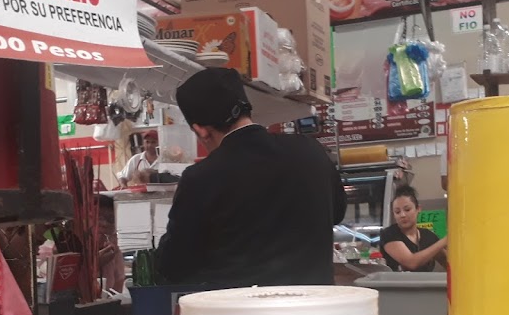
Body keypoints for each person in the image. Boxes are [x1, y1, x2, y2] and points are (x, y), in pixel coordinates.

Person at [156, 68, 347, 287]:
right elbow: (337, 213)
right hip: (316, 303)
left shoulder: (201, 178)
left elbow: (174, 266)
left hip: (242, 306)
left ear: (201, 130)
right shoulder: (310, 150)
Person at [380, 185, 447, 272]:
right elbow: (411, 263)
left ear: (418, 209)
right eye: (397, 212)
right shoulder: (389, 234)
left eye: (407, 210)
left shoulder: (428, 236)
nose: (402, 215)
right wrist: (445, 241)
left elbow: (448, 263)